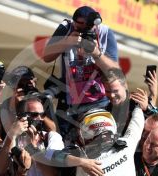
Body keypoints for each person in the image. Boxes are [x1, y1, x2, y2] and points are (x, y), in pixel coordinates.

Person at [43, 5, 118, 143]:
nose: (80, 31)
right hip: (69, 100)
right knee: (66, 144)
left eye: (84, 28)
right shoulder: (66, 28)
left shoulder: (105, 33)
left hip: (97, 101)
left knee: (96, 143)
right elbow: (46, 56)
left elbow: (114, 69)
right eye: (77, 27)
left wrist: (96, 53)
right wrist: (67, 41)